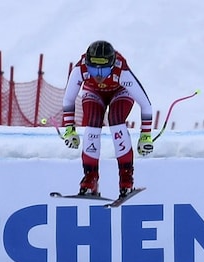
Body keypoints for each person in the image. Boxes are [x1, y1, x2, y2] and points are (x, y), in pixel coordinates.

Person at [61, 40, 154, 198]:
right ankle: (90, 179)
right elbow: (68, 100)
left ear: (112, 66)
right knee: (93, 121)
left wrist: (146, 136)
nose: (98, 76)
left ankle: (126, 180)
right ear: (87, 64)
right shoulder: (80, 69)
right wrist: (69, 130)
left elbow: (145, 104)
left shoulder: (121, 70)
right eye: (93, 69)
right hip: (93, 92)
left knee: (116, 119)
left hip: (120, 91)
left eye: (104, 71)